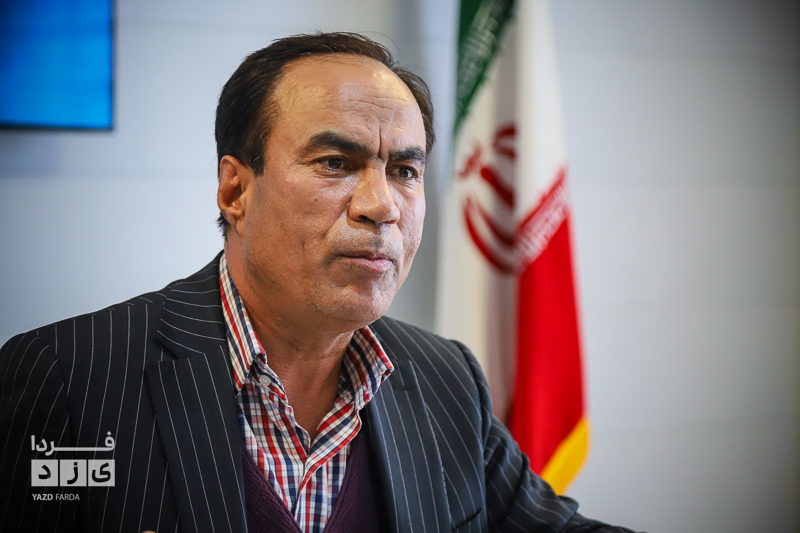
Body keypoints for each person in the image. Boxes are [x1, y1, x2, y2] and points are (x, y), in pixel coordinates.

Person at [0, 32, 639, 533]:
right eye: (336, 162)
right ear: (235, 190)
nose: (381, 206)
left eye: (405, 171)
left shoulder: (447, 378)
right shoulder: (67, 375)